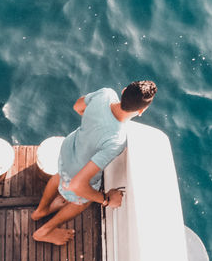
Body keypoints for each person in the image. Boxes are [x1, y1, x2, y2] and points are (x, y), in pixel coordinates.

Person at [31, 80, 157, 245]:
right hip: (77, 171)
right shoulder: (117, 141)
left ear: (124, 90)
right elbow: (77, 185)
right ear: (141, 110)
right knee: (83, 200)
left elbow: (77, 106)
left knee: (59, 176)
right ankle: (44, 232)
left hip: (68, 150)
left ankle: (40, 211)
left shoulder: (105, 94)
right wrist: (105, 199)